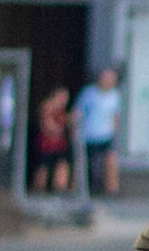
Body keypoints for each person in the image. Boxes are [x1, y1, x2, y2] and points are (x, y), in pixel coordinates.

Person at [77, 67, 124, 196]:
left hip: (107, 134)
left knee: (110, 159)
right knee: (88, 163)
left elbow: (116, 115)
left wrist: (115, 131)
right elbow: (78, 112)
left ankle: (112, 190)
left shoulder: (115, 95)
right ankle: (84, 189)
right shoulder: (89, 93)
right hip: (89, 134)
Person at [34, 86, 73, 193]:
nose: (64, 100)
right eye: (62, 96)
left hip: (60, 144)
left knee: (62, 164)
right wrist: (61, 128)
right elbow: (47, 125)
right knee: (44, 167)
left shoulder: (62, 110)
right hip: (47, 143)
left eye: (66, 97)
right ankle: (38, 190)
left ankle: (60, 189)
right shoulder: (47, 106)